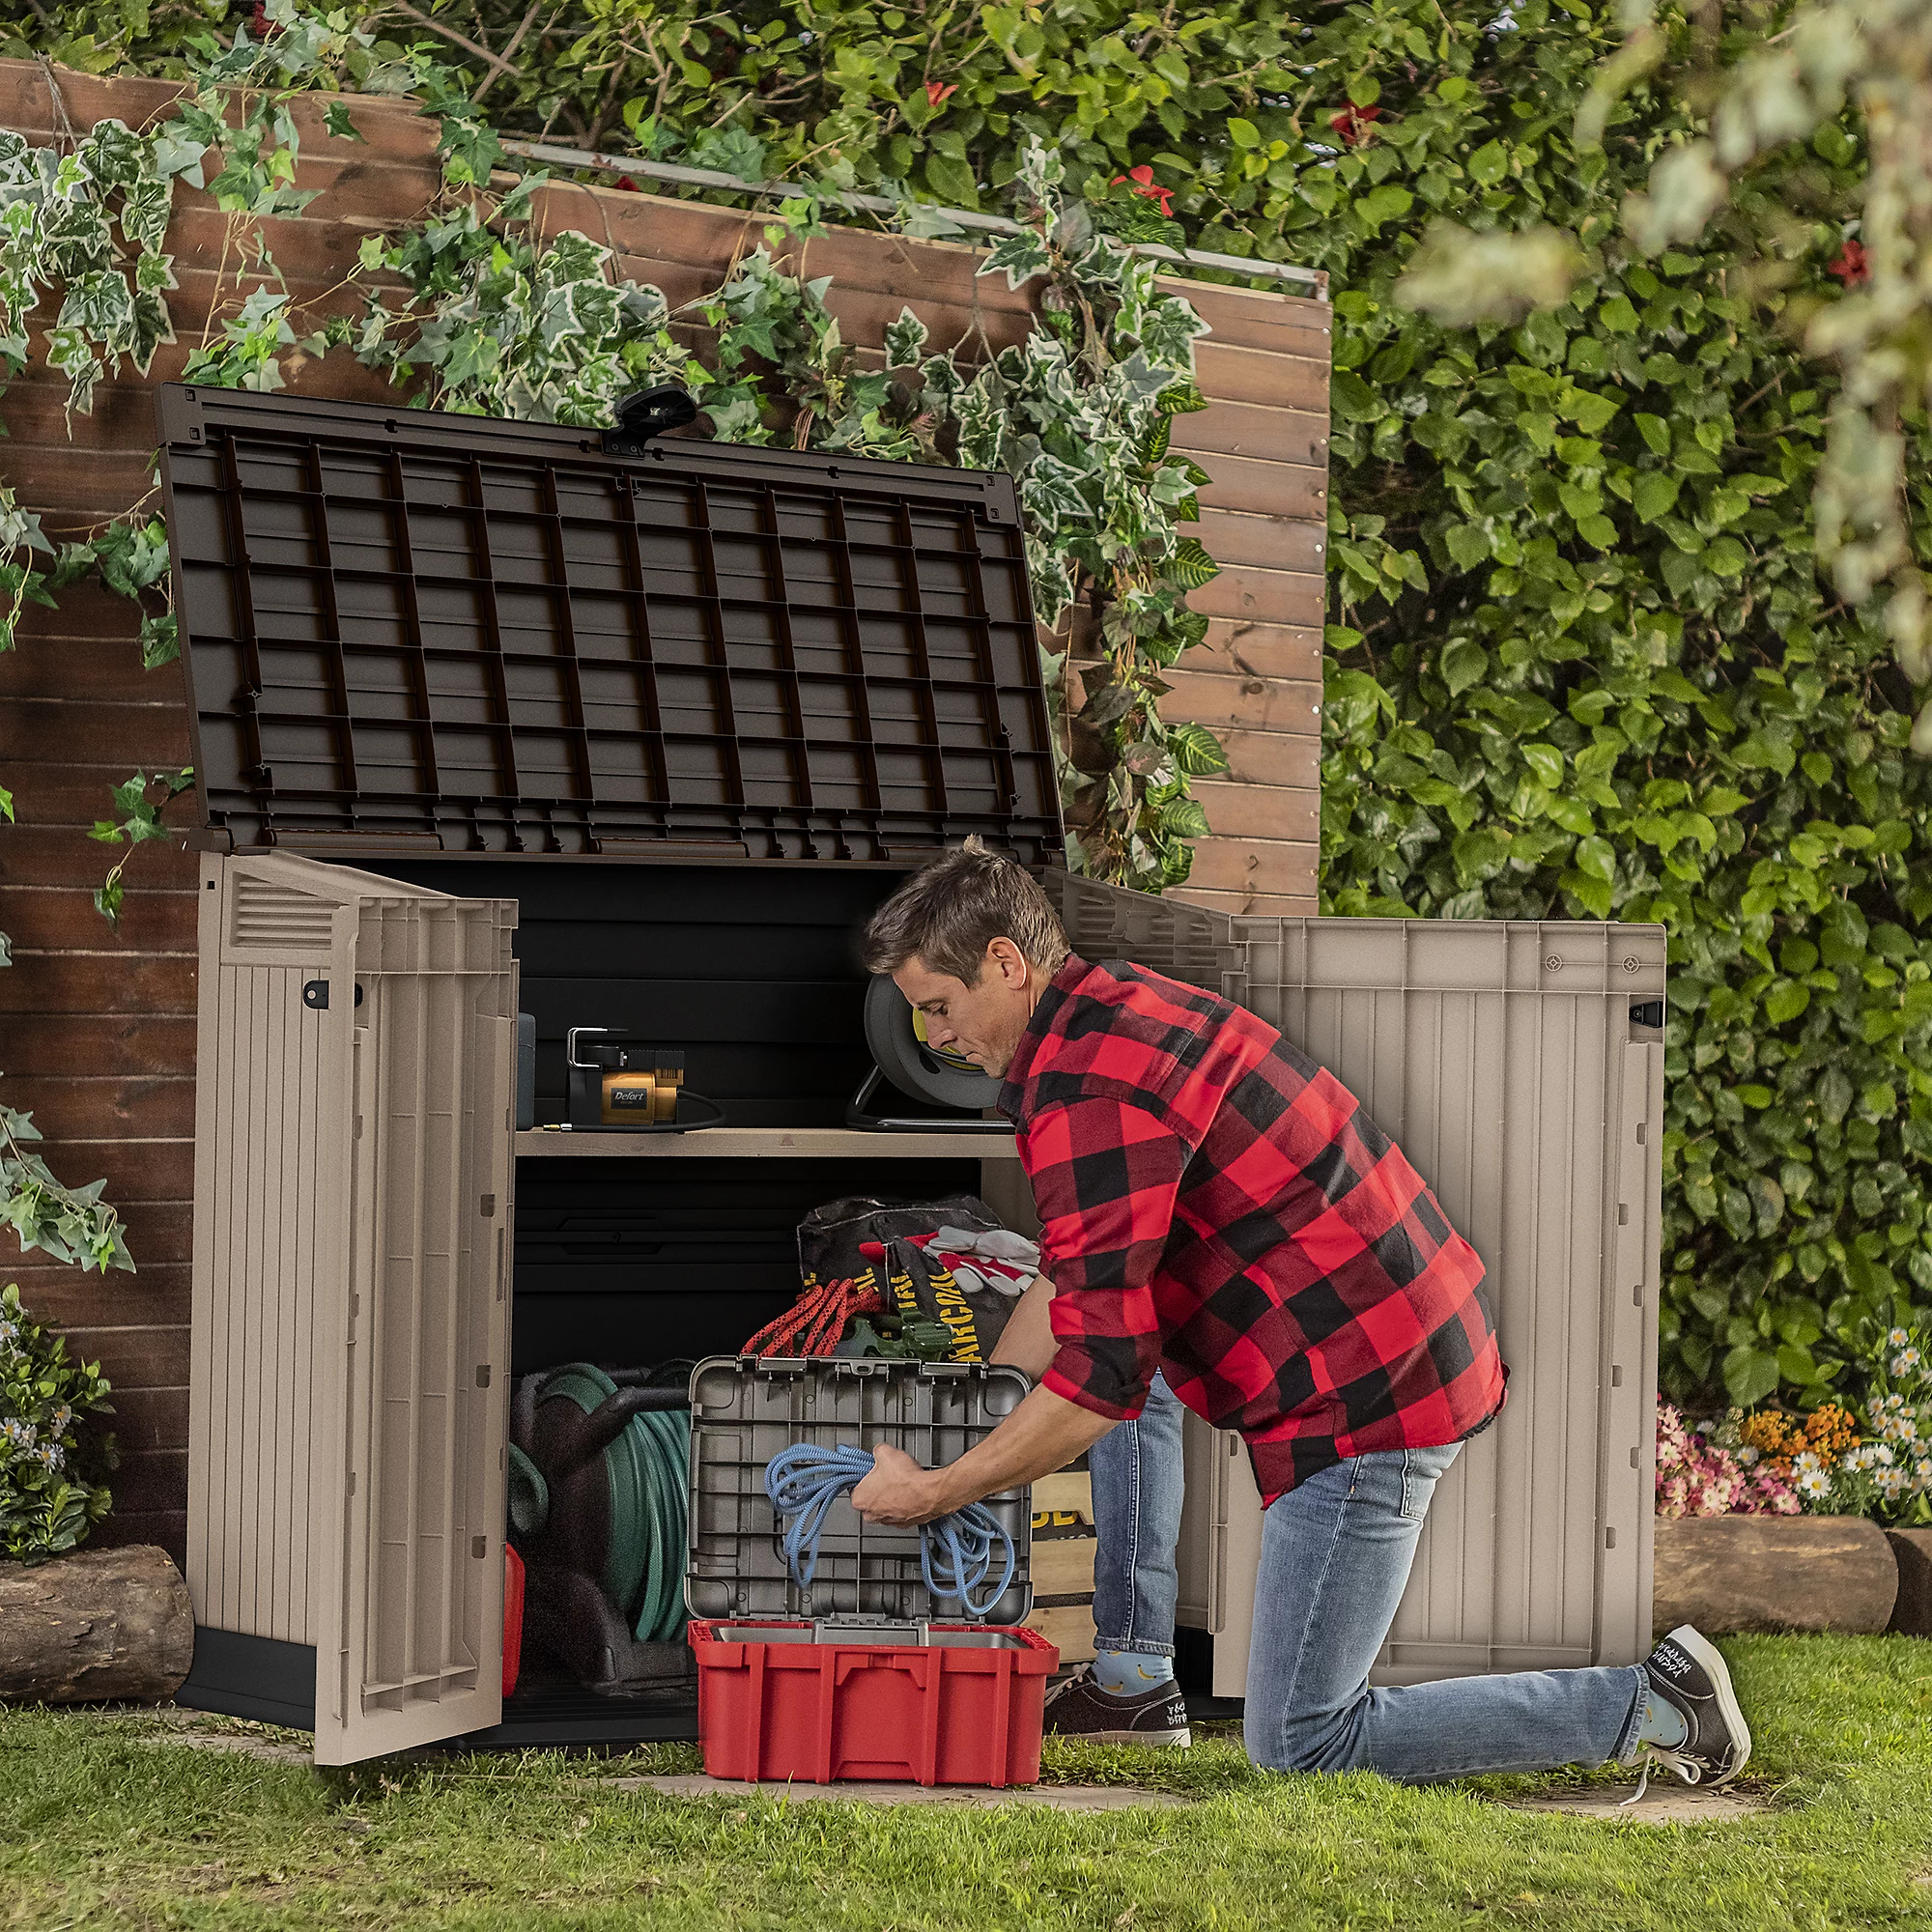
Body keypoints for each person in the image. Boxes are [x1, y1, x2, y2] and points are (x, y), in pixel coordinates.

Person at [851, 839, 1750, 1787]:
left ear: (1005, 962)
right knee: (1294, 1705)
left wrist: (940, 1490)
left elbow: (1097, 1379)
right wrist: (970, 1403)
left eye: (938, 1006)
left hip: (1367, 1388)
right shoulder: (1110, 1015)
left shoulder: (1089, 1089)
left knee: (1301, 1740)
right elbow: (1080, 1281)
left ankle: (1653, 1702)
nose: (934, 1037)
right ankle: (1136, 1673)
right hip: (1387, 1339)